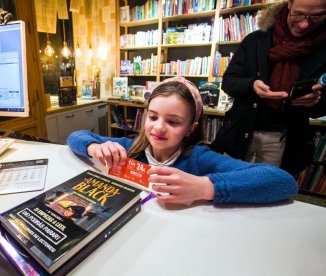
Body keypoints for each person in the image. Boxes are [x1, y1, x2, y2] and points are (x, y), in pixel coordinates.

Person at [67, 76, 298, 206]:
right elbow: (75, 136)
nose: (158, 127)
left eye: (173, 122)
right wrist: (95, 146)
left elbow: (282, 181)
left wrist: (205, 187)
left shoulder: (199, 159)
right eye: (153, 116)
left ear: (190, 129)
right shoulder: (131, 148)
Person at [211, 0, 326, 175]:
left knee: (267, 192)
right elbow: (229, 81)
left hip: (286, 138)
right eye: (299, 14)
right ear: (289, 4)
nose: (304, 24)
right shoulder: (255, 40)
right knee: (225, 183)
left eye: (316, 16)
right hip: (241, 129)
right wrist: (252, 86)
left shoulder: (323, 51)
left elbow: (322, 105)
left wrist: (316, 101)